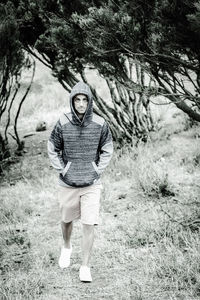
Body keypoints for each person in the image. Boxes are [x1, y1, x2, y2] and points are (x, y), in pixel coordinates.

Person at [47, 81, 113, 282]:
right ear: (72, 101)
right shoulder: (62, 123)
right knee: (66, 219)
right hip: (68, 183)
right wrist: (63, 169)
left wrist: (96, 169)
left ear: (90, 101)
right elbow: (52, 147)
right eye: (78, 100)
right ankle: (66, 246)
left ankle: (85, 266)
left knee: (89, 223)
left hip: (92, 183)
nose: (82, 104)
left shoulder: (100, 124)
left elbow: (107, 148)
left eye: (85, 100)